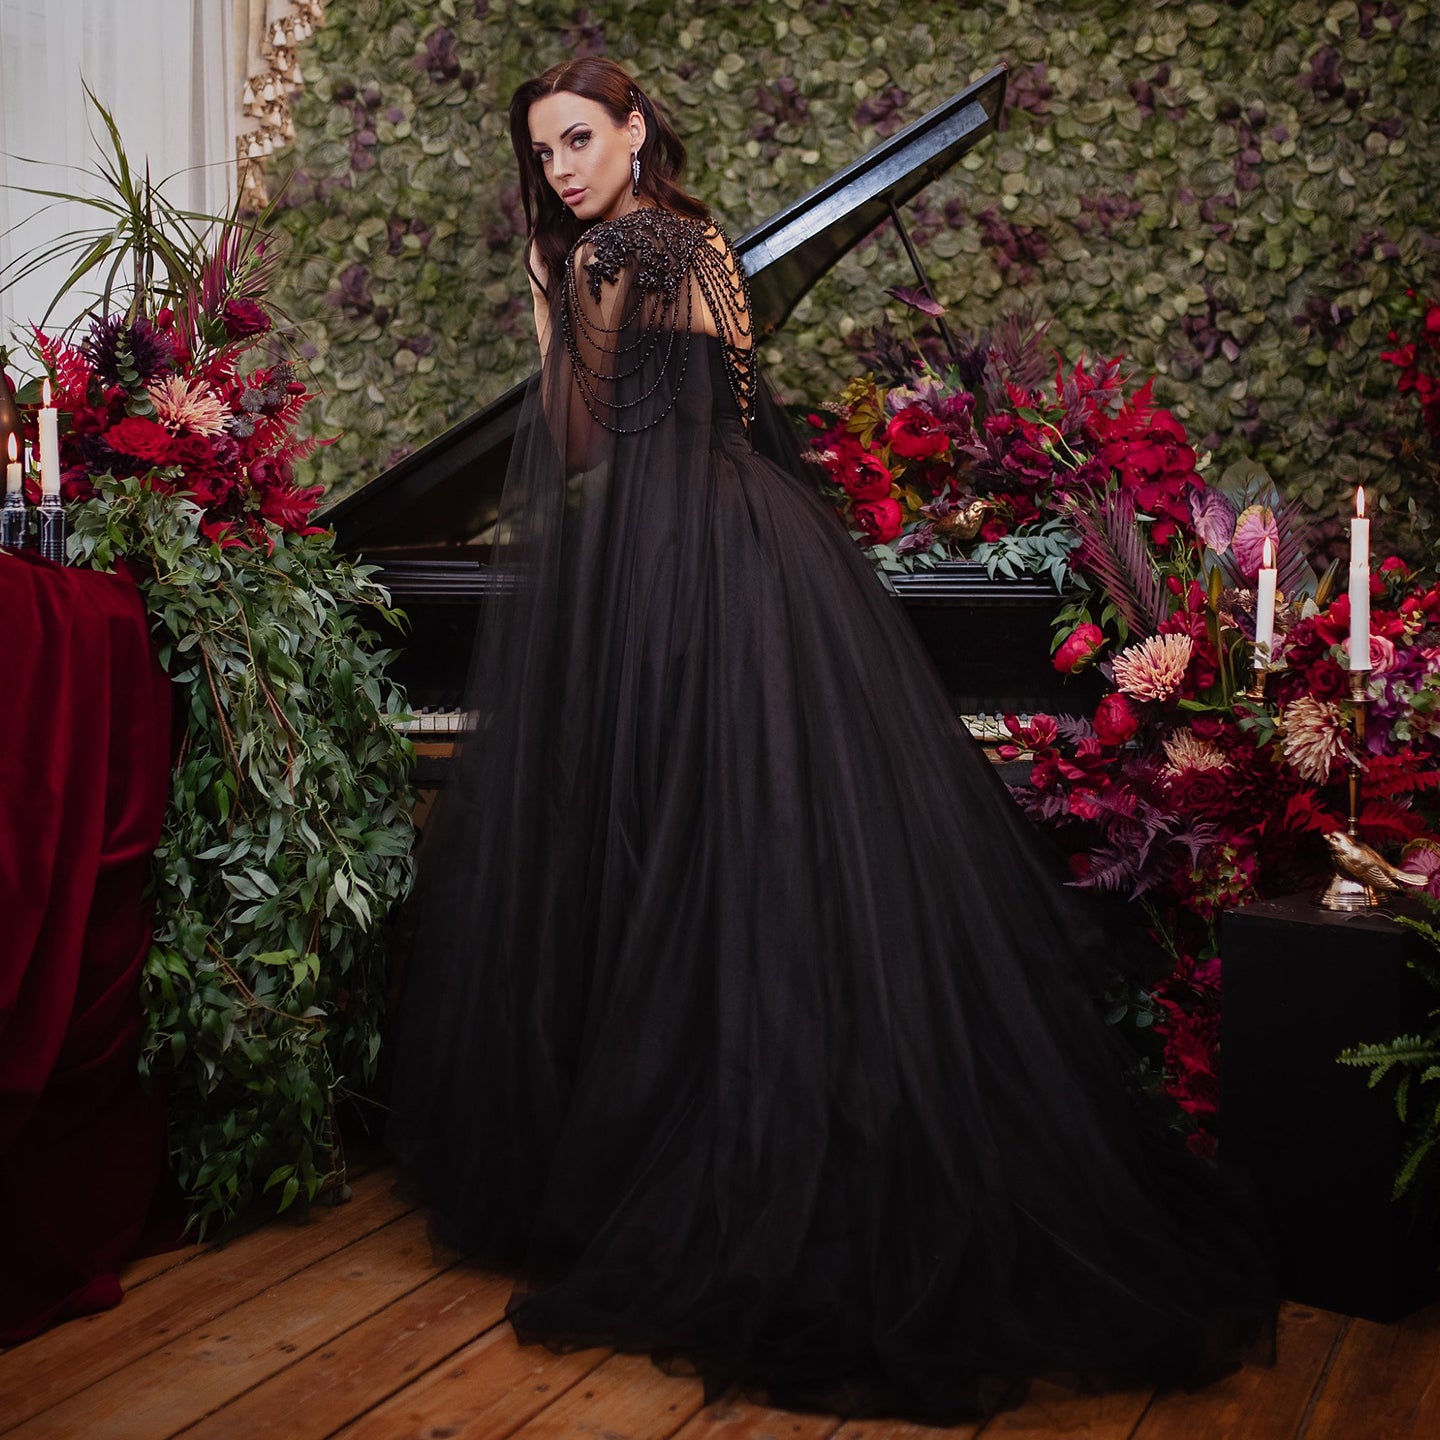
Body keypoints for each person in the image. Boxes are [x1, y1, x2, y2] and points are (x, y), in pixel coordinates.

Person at [387, 55, 1275, 1424]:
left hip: (677, 561)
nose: (561, 170)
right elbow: (706, 418)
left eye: (579, 139)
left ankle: (711, 1156)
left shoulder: (621, 250)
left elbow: (604, 441)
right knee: (757, 853)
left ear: (634, 131)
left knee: (675, 848)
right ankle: (785, 1127)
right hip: (750, 542)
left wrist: (557, 307)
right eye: (545, 152)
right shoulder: (685, 243)